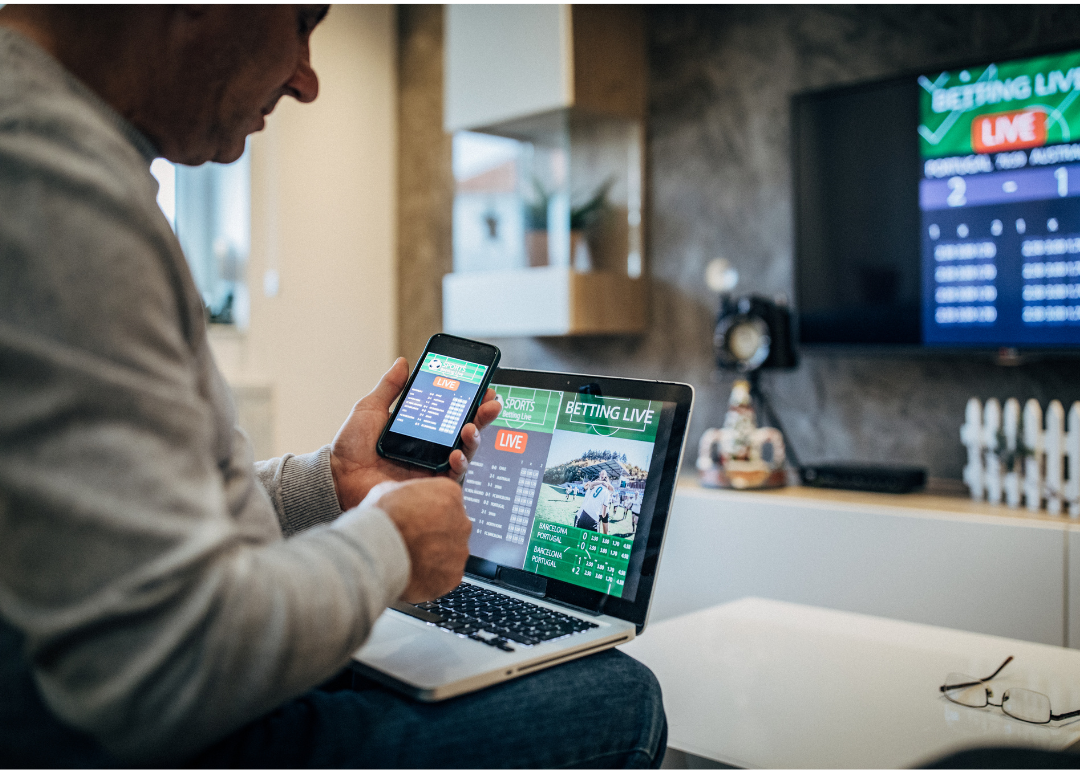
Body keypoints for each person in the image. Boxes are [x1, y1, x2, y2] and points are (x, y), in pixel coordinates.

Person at [0, 6, 666, 768]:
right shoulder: (52, 184)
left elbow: (130, 519)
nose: (306, 79)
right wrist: (389, 543)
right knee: (619, 695)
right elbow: (162, 670)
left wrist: (334, 487)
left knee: (410, 670)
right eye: (303, 20)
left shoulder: (66, 156)